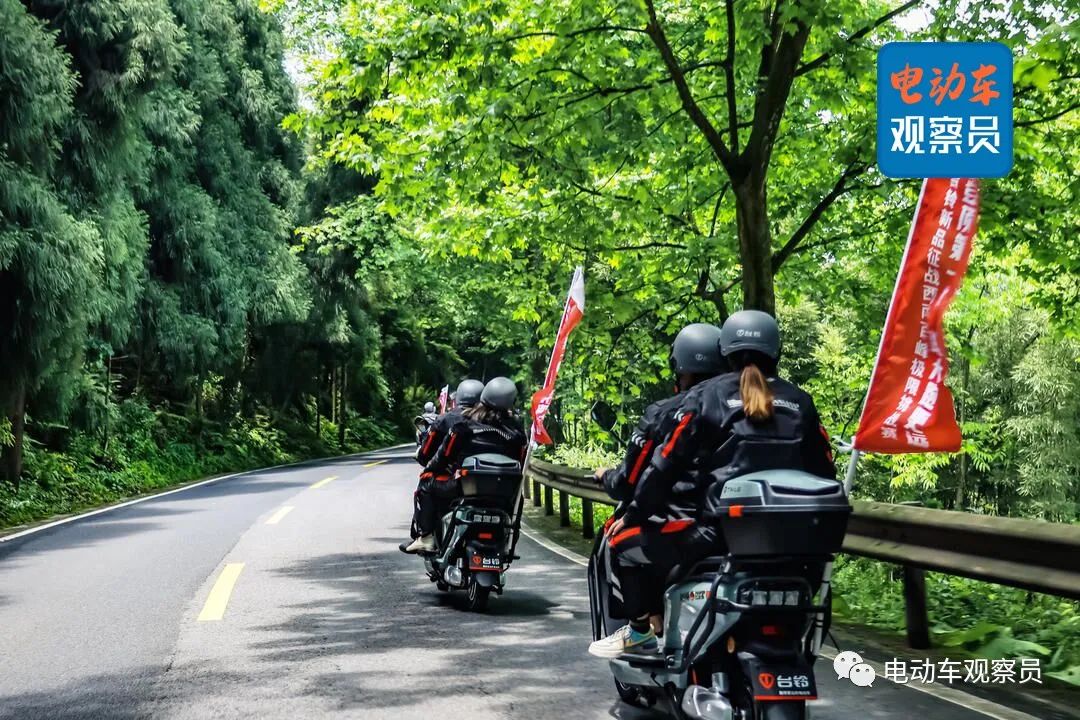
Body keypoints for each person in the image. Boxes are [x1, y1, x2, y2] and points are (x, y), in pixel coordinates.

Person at [589, 310, 836, 658]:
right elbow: (825, 467)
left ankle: (643, 628)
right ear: (776, 350)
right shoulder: (800, 401)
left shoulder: (705, 397)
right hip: (792, 541)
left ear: (726, 350)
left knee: (618, 541)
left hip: (715, 534)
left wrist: (635, 513)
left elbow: (664, 465)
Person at [588, 323, 726, 657]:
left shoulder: (668, 412)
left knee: (618, 540)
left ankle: (640, 628)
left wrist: (608, 478)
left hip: (681, 526)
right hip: (739, 525)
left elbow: (636, 478)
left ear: (678, 367)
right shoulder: (750, 409)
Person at [404, 377, 527, 554]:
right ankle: (509, 542)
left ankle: (426, 537)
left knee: (426, 480)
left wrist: (431, 469)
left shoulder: (464, 424)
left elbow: (442, 457)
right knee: (518, 498)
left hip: (465, 487)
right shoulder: (517, 431)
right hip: (502, 491)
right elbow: (521, 465)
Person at [401, 379, 484, 550]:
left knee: (426, 481)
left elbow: (426, 453)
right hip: (495, 486)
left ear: (457, 399)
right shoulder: (496, 420)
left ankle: (426, 536)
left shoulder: (448, 419)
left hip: (459, 481)